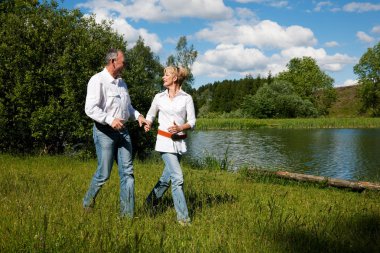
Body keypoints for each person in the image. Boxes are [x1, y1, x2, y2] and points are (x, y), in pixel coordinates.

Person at [82, 48, 146, 218]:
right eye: (123, 62)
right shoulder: (98, 80)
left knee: (128, 173)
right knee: (104, 173)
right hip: (104, 132)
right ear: (113, 62)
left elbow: (128, 108)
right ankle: (87, 203)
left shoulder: (122, 83)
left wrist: (138, 116)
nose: (125, 65)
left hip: (123, 132)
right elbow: (90, 109)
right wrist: (110, 120)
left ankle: (127, 216)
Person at [144, 66, 196, 226]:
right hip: (164, 142)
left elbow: (193, 122)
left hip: (179, 143)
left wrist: (181, 127)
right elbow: (151, 114)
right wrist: (148, 123)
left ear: (174, 78)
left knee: (166, 179)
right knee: (178, 178)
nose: (162, 77)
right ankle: (183, 219)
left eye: (166, 75)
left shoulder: (187, 98)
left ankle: (148, 204)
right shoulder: (159, 97)